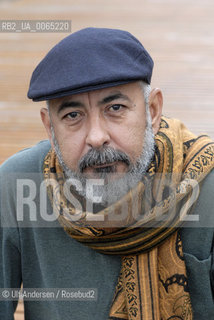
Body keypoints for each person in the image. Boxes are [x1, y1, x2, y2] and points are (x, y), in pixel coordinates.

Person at [0, 27, 213, 320]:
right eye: (73, 116)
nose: (96, 137)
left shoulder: (206, 184)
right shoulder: (15, 185)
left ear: (152, 111)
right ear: (50, 128)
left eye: (115, 107)